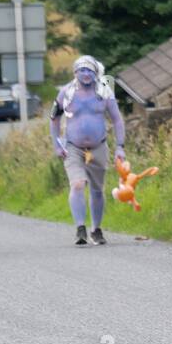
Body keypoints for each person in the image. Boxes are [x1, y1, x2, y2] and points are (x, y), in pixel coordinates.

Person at [50, 56, 126, 246]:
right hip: (73, 147)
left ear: (96, 73)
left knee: (97, 190)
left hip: (98, 146)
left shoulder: (104, 91)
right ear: (75, 73)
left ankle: (96, 230)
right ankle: (80, 228)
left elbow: (117, 119)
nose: (86, 74)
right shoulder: (66, 92)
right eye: (82, 70)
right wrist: (57, 144)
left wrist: (119, 147)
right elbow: (54, 119)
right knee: (77, 184)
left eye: (90, 71)